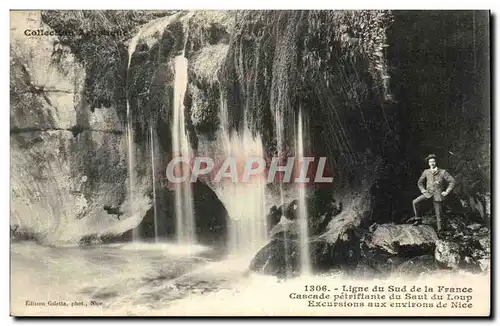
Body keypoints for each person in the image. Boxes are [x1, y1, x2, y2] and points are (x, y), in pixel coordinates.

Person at [412, 154, 456, 231]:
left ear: (436, 162)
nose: (432, 163)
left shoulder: (443, 172)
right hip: (428, 193)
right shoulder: (426, 172)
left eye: (433, 161)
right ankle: (418, 219)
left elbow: (452, 181)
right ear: (428, 163)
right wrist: (423, 190)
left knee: (438, 215)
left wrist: (446, 191)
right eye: (430, 162)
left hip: (438, 195)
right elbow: (420, 182)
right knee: (415, 202)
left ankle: (440, 231)